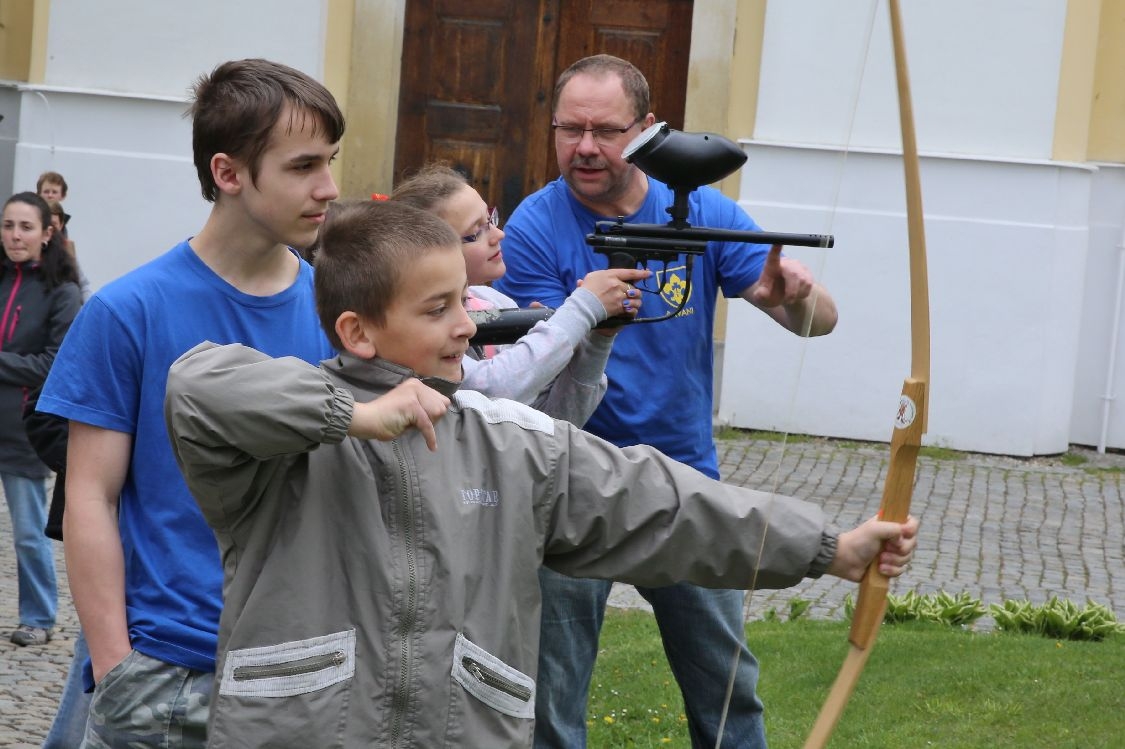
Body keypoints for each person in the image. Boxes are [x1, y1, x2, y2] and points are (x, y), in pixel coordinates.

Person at [162, 198, 917, 748]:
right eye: (437, 308)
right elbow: (197, 386)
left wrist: (825, 546)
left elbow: (658, 505)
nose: (467, 324)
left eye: (463, 299)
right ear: (357, 331)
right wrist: (352, 417)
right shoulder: (282, 445)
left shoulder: (509, 441)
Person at [492, 54, 841, 748]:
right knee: (551, 701)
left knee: (726, 687)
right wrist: (588, 310)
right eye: (569, 129)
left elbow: (816, 321)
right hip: (570, 485)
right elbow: (531, 372)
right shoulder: (533, 227)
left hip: (683, 481)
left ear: (648, 131)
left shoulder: (702, 208)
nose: (585, 147)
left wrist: (795, 296)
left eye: (605, 130)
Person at [36, 58, 342, 748]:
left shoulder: (338, 313)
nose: (328, 188)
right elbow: (89, 496)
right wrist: (117, 665)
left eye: (329, 161)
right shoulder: (127, 310)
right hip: (163, 669)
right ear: (229, 173)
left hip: (300, 675)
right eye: (303, 166)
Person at [390, 163, 650, 419]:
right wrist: (582, 308)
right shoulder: (419, 329)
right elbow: (494, 391)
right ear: (428, 253)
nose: (498, 235)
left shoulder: (493, 302)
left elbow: (555, 420)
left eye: (490, 219)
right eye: (476, 232)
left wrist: (596, 341)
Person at [0, 191, 82, 647]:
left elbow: (53, 364)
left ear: (48, 233)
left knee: (29, 535)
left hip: (22, 430)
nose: (15, 236)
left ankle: (39, 616)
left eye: (26, 227)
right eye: (8, 225)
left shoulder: (62, 292)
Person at [23, 385, 92, 747]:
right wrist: (94, 467)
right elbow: (41, 413)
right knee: (95, 648)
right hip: (118, 527)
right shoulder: (109, 328)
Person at [46, 199, 92, 301]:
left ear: (61, 225)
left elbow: (83, 285)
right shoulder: (32, 251)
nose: (50, 229)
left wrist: (85, 311)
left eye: (54, 224)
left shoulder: (67, 249)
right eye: (46, 224)